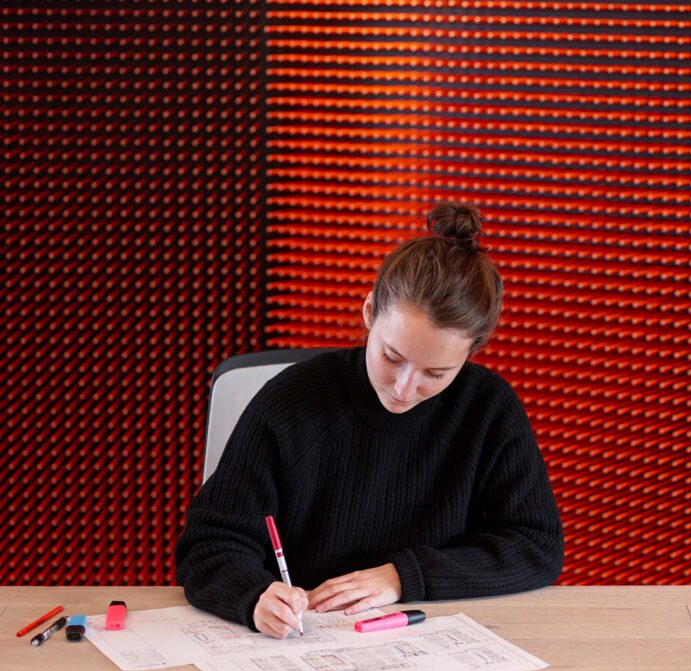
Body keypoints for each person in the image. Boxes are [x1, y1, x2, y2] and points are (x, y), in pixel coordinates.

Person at [175, 203, 564, 638]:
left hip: (427, 636)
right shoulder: (289, 402)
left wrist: (403, 577)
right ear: (368, 313)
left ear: (470, 354)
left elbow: (536, 547)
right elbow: (208, 547)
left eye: (436, 374)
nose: (403, 388)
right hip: (302, 641)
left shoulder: (489, 407)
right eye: (391, 356)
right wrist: (253, 596)